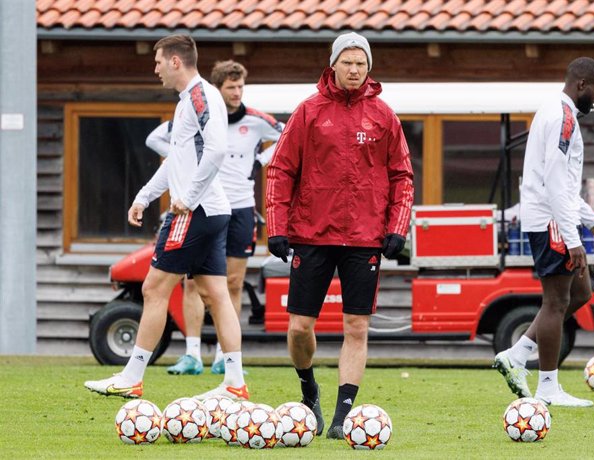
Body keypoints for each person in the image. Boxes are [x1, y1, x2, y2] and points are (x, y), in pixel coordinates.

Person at [265, 32, 414, 438]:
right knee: (298, 326)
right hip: (311, 234)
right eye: (347, 62)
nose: (354, 70)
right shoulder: (308, 111)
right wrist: (277, 229)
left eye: (361, 63)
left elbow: (402, 176)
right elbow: (280, 171)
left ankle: (341, 416)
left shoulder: (384, 116)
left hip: (365, 238)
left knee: (356, 326)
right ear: (332, 65)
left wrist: (397, 228)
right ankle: (308, 387)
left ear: (369, 68)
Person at [84, 34, 249, 401]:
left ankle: (132, 376)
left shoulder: (199, 95)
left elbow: (218, 150)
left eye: (158, 61)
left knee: (154, 288)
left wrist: (187, 199)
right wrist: (144, 196)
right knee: (216, 294)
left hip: (198, 210)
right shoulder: (186, 101)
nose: (155, 68)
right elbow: (177, 161)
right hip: (213, 210)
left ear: (176, 61)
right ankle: (235, 383)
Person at [146, 60, 284, 376]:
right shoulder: (199, 115)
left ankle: (225, 356)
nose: (237, 93)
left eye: (240, 87)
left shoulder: (255, 119)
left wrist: (261, 160)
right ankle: (192, 354)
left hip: (241, 209)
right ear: (218, 89)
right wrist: (178, 160)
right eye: (231, 87)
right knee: (192, 284)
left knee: (232, 285)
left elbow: (289, 134)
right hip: (204, 207)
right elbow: (154, 138)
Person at [494, 57, 594, 407]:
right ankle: (547, 387)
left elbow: (565, 184)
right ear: (580, 85)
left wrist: (593, 220)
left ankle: (516, 355)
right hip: (551, 222)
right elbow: (557, 181)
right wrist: (574, 240)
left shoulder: (556, 111)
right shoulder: (563, 117)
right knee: (557, 301)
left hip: (555, 217)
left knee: (581, 293)